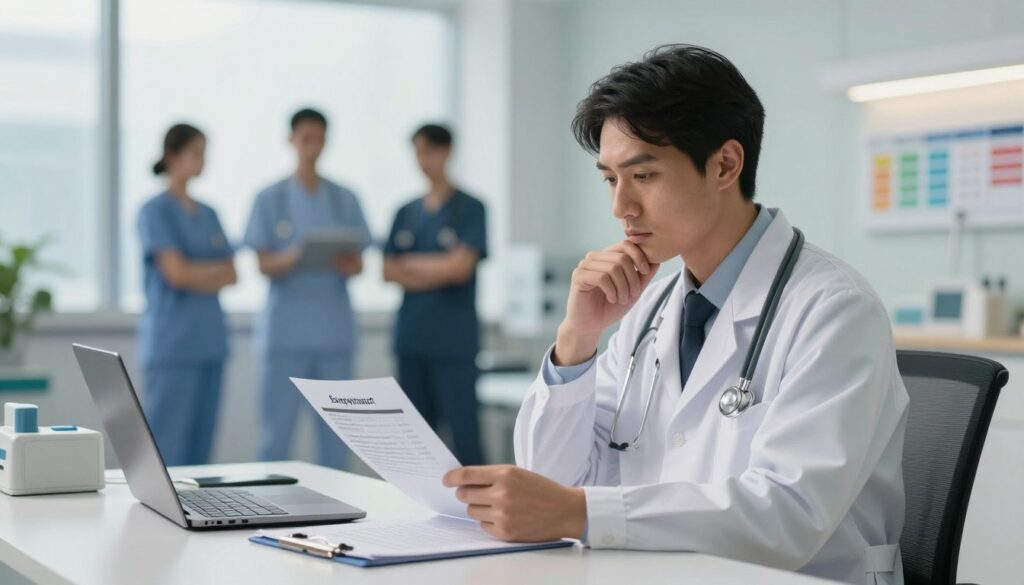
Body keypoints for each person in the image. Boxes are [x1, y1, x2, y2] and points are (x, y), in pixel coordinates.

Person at [442, 45, 908, 585]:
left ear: (725, 165)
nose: (621, 207)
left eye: (643, 176)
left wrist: (585, 513)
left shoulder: (834, 310)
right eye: (610, 179)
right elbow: (553, 484)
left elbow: (789, 515)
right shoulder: (651, 311)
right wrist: (578, 337)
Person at [243, 108, 371, 469]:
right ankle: (266, 512)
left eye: (319, 139)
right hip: (285, 337)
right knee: (275, 438)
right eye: (305, 139)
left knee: (336, 441)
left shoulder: (345, 198)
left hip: (333, 335)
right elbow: (263, 264)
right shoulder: (270, 198)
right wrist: (297, 255)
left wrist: (345, 262)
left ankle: (339, 519)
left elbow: (360, 262)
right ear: (291, 140)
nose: (312, 147)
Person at [383, 124, 487, 466]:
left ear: (446, 152)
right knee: (415, 443)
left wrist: (411, 265)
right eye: (417, 151)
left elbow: (460, 269)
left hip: (453, 343)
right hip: (412, 340)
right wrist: (440, 267)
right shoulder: (405, 212)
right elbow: (387, 271)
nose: (422, 159)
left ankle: (478, 517)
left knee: (464, 439)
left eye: (428, 150)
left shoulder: (470, 208)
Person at [137, 123, 237, 466]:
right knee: (168, 447)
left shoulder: (209, 213)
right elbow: (175, 274)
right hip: (174, 345)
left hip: (210, 344)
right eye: (195, 152)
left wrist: (194, 270)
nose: (202, 160)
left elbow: (232, 273)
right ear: (172, 155)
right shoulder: (155, 211)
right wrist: (207, 272)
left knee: (201, 451)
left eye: (204, 153)